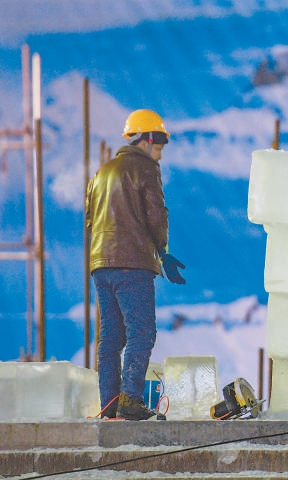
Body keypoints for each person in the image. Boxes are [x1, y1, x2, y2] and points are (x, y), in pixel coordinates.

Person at [86, 109, 186, 420]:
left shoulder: (102, 173)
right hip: (132, 262)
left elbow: (90, 220)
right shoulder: (145, 169)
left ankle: (109, 405)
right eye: (159, 143)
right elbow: (155, 215)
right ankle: (130, 399)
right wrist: (163, 251)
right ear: (146, 139)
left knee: (111, 339)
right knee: (142, 332)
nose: (161, 151)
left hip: (101, 264)